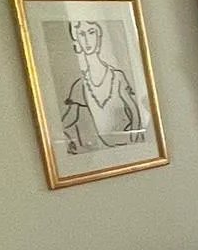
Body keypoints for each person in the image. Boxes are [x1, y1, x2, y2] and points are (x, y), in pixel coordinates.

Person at [60, 19, 145, 153]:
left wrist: (137, 145)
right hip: (104, 154)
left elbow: (135, 114)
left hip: (130, 147)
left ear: (98, 36)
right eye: (81, 34)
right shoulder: (79, 86)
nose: (87, 40)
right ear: (77, 41)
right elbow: (65, 123)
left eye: (91, 32)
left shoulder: (117, 77)